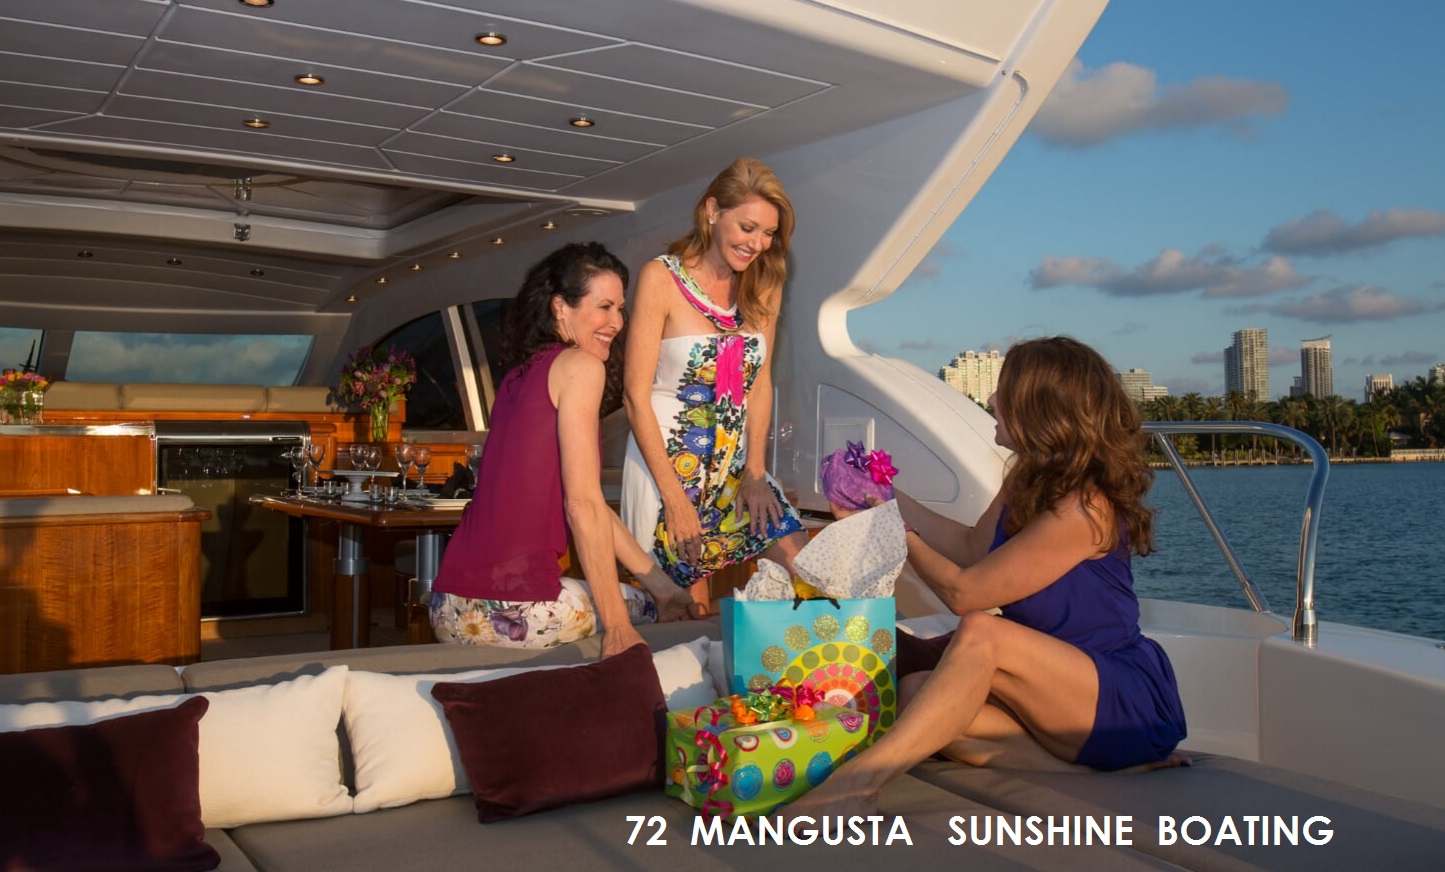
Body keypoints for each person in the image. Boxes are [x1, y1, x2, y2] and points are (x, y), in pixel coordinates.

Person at [790, 336, 1188, 814]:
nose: (994, 399)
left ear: (1042, 410)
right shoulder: (1027, 477)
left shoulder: (1087, 509)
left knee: (982, 631)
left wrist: (892, 527)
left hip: (1116, 699)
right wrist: (886, 497)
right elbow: (969, 548)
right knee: (916, 694)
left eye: (1006, 391)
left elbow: (964, 593)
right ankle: (1092, 773)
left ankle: (858, 784)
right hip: (1046, 693)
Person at [430, 242, 700, 657]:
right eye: (604, 307)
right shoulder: (581, 366)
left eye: (620, 309)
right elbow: (582, 505)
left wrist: (663, 585)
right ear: (560, 307)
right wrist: (619, 628)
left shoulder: (516, 378)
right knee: (662, 615)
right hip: (514, 612)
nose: (617, 322)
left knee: (656, 596)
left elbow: (590, 504)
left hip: (449, 605)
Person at [621, 157, 811, 609]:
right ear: (712, 211)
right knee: (689, 613)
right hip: (668, 473)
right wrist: (675, 499)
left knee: (808, 571)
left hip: (739, 470)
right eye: (748, 227)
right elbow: (634, 396)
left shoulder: (765, 285)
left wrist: (757, 473)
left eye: (769, 233)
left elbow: (759, 384)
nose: (758, 244)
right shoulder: (660, 278)